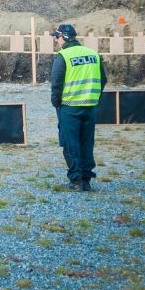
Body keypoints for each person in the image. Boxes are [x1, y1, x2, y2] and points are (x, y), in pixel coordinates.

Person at [50, 23, 108, 191]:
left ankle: (76, 180)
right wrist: (94, 96)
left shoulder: (63, 56)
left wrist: (56, 103)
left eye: (57, 37)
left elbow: (56, 84)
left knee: (70, 144)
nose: (56, 40)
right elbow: (103, 79)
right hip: (90, 106)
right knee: (86, 142)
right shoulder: (93, 54)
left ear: (64, 37)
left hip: (69, 106)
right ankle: (87, 179)